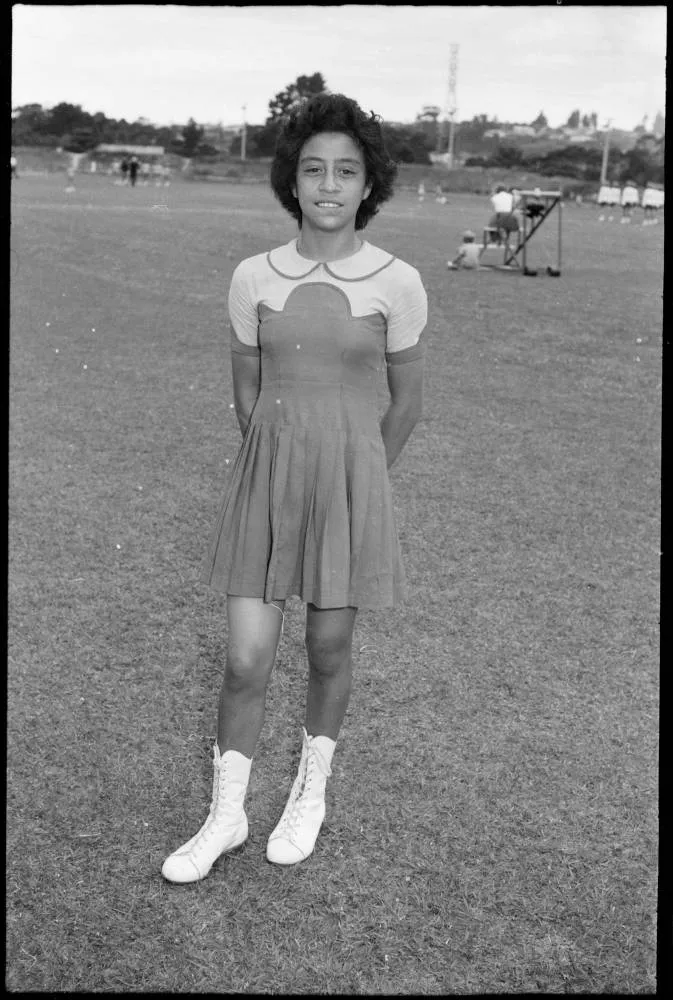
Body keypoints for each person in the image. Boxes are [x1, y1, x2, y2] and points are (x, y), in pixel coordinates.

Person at [161, 92, 427, 883]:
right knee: (245, 660)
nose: (328, 185)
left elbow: (406, 403)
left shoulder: (398, 281)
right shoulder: (253, 276)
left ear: (368, 184)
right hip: (265, 484)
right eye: (313, 169)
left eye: (346, 171)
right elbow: (246, 394)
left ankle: (310, 795)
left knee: (327, 647)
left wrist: (357, 481)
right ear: (292, 180)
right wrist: (278, 467)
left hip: (348, 490)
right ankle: (227, 817)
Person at [487, 184, 519, 251]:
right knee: (507, 226)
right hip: (510, 217)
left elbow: (495, 207)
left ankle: (497, 239)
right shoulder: (511, 196)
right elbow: (514, 206)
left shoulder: (494, 197)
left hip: (499, 216)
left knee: (491, 225)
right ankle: (506, 240)